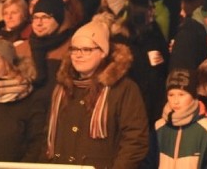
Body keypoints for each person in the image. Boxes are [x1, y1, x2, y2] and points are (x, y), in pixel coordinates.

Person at [45, 19, 149, 168]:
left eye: (86, 49)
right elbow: (46, 134)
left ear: (102, 52)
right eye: (74, 49)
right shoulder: (62, 88)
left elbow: (135, 139)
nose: (78, 55)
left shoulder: (123, 88)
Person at [155, 68, 207, 169]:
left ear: (193, 96)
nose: (175, 101)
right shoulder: (159, 127)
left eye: (182, 95)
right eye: (171, 95)